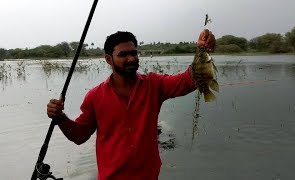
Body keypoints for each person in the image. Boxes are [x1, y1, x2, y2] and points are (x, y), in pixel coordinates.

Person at [47, 29, 215, 180]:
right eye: (123, 54)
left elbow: (186, 80)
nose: (131, 58)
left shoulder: (154, 85)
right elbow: (79, 136)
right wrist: (60, 118)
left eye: (134, 53)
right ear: (108, 59)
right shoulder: (95, 97)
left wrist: (202, 50)